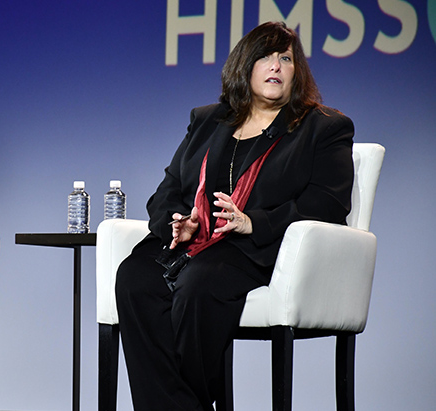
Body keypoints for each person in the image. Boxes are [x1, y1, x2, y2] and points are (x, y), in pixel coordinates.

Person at [114, 21, 354, 410]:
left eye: (286, 59)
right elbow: (168, 189)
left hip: (256, 249)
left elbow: (328, 203)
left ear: (298, 72)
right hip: (193, 244)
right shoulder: (209, 119)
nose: (276, 66)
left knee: (199, 284)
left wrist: (254, 221)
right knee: (134, 278)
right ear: (244, 66)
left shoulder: (323, 128)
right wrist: (178, 221)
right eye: (265, 56)